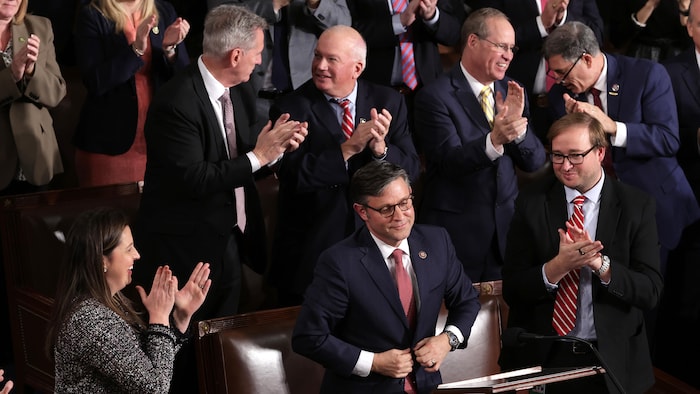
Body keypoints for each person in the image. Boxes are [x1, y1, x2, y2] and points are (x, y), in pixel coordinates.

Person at [134, 3, 306, 321]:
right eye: (257, 52)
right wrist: (260, 155)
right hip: (184, 250)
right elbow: (196, 178)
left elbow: (244, 158)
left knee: (223, 342)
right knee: (187, 346)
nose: (259, 60)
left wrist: (278, 148)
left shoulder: (237, 91)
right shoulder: (175, 103)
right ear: (235, 56)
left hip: (230, 239)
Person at [499, 113, 663, 394]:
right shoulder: (532, 201)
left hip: (610, 358)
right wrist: (556, 268)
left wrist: (600, 265)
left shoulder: (636, 206)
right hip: (547, 356)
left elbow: (650, 291)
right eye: (557, 156)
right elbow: (512, 289)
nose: (564, 166)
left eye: (575, 155)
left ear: (600, 152)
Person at [292, 160, 481, 394]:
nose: (399, 216)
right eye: (386, 209)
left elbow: (467, 300)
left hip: (427, 387)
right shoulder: (339, 262)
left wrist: (447, 339)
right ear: (362, 212)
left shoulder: (437, 242)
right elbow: (309, 337)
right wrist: (374, 362)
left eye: (405, 203)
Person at [268, 25, 420, 305]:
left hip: (375, 246)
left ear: (357, 68)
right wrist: (347, 149)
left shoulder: (388, 101)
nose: (320, 66)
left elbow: (412, 168)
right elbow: (293, 176)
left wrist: (381, 150)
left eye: (331, 59)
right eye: (317, 56)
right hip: (313, 250)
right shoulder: (292, 107)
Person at [544, 21, 700, 277]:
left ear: (586, 59)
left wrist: (613, 127)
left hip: (657, 207)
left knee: (666, 303)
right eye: (555, 74)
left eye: (563, 72)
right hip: (602, 217)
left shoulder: (647, 75)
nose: (559, 81)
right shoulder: (561, 97)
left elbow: (667, 139)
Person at [414, 8, 546, 282]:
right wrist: (495, 139)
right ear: (472, 42)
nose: (508, 55)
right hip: (458, 235)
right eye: (500, 46)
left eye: (512, 48)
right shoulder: (434, 97)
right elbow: (449, 161)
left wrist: (517, 131)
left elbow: (534, 161)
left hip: (506, 235)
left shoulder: (513, 90)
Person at [47, 207, 211, 393]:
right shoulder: (89, 319)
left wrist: (179, 318)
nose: (137, 255)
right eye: (128, 249)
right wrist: (159, 317)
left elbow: (151, 365)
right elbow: (154, 387)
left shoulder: (111, 300)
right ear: (102, 261)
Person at [72, 0, 191, 187]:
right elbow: (95, 81)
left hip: (159, 142)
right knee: (109, 215)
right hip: (110, 144)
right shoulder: (93, 15)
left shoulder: (164, 10)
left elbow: (184, 81)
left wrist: (170, 49)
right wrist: (135, 50)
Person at [207, 0, 350, 133]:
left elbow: (344, 26)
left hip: (303, 98)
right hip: (247, 97)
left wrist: (316, 3)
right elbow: (220, 18)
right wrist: (274, 3)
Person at [477, 0, 604, 142]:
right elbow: (488, 38)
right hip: (517, 97)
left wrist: (563, 20)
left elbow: (596, 37)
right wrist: (540, 24)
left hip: (569, 100)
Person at [656, 0, 700, 386]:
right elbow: (664, 136)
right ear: (689, 27)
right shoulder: (669, 73)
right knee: (684, 298)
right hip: (687, 196)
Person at [0, 0, 66, 196]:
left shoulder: (39, 27)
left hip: (36, 154)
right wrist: (12, 74)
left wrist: (31, 72)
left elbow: (56, 92)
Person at [608, 0, 692, 62]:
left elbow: (692, 44)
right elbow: (616, 39)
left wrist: (684, 9)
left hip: (678, 59)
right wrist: (649, 6)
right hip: (641, 57)